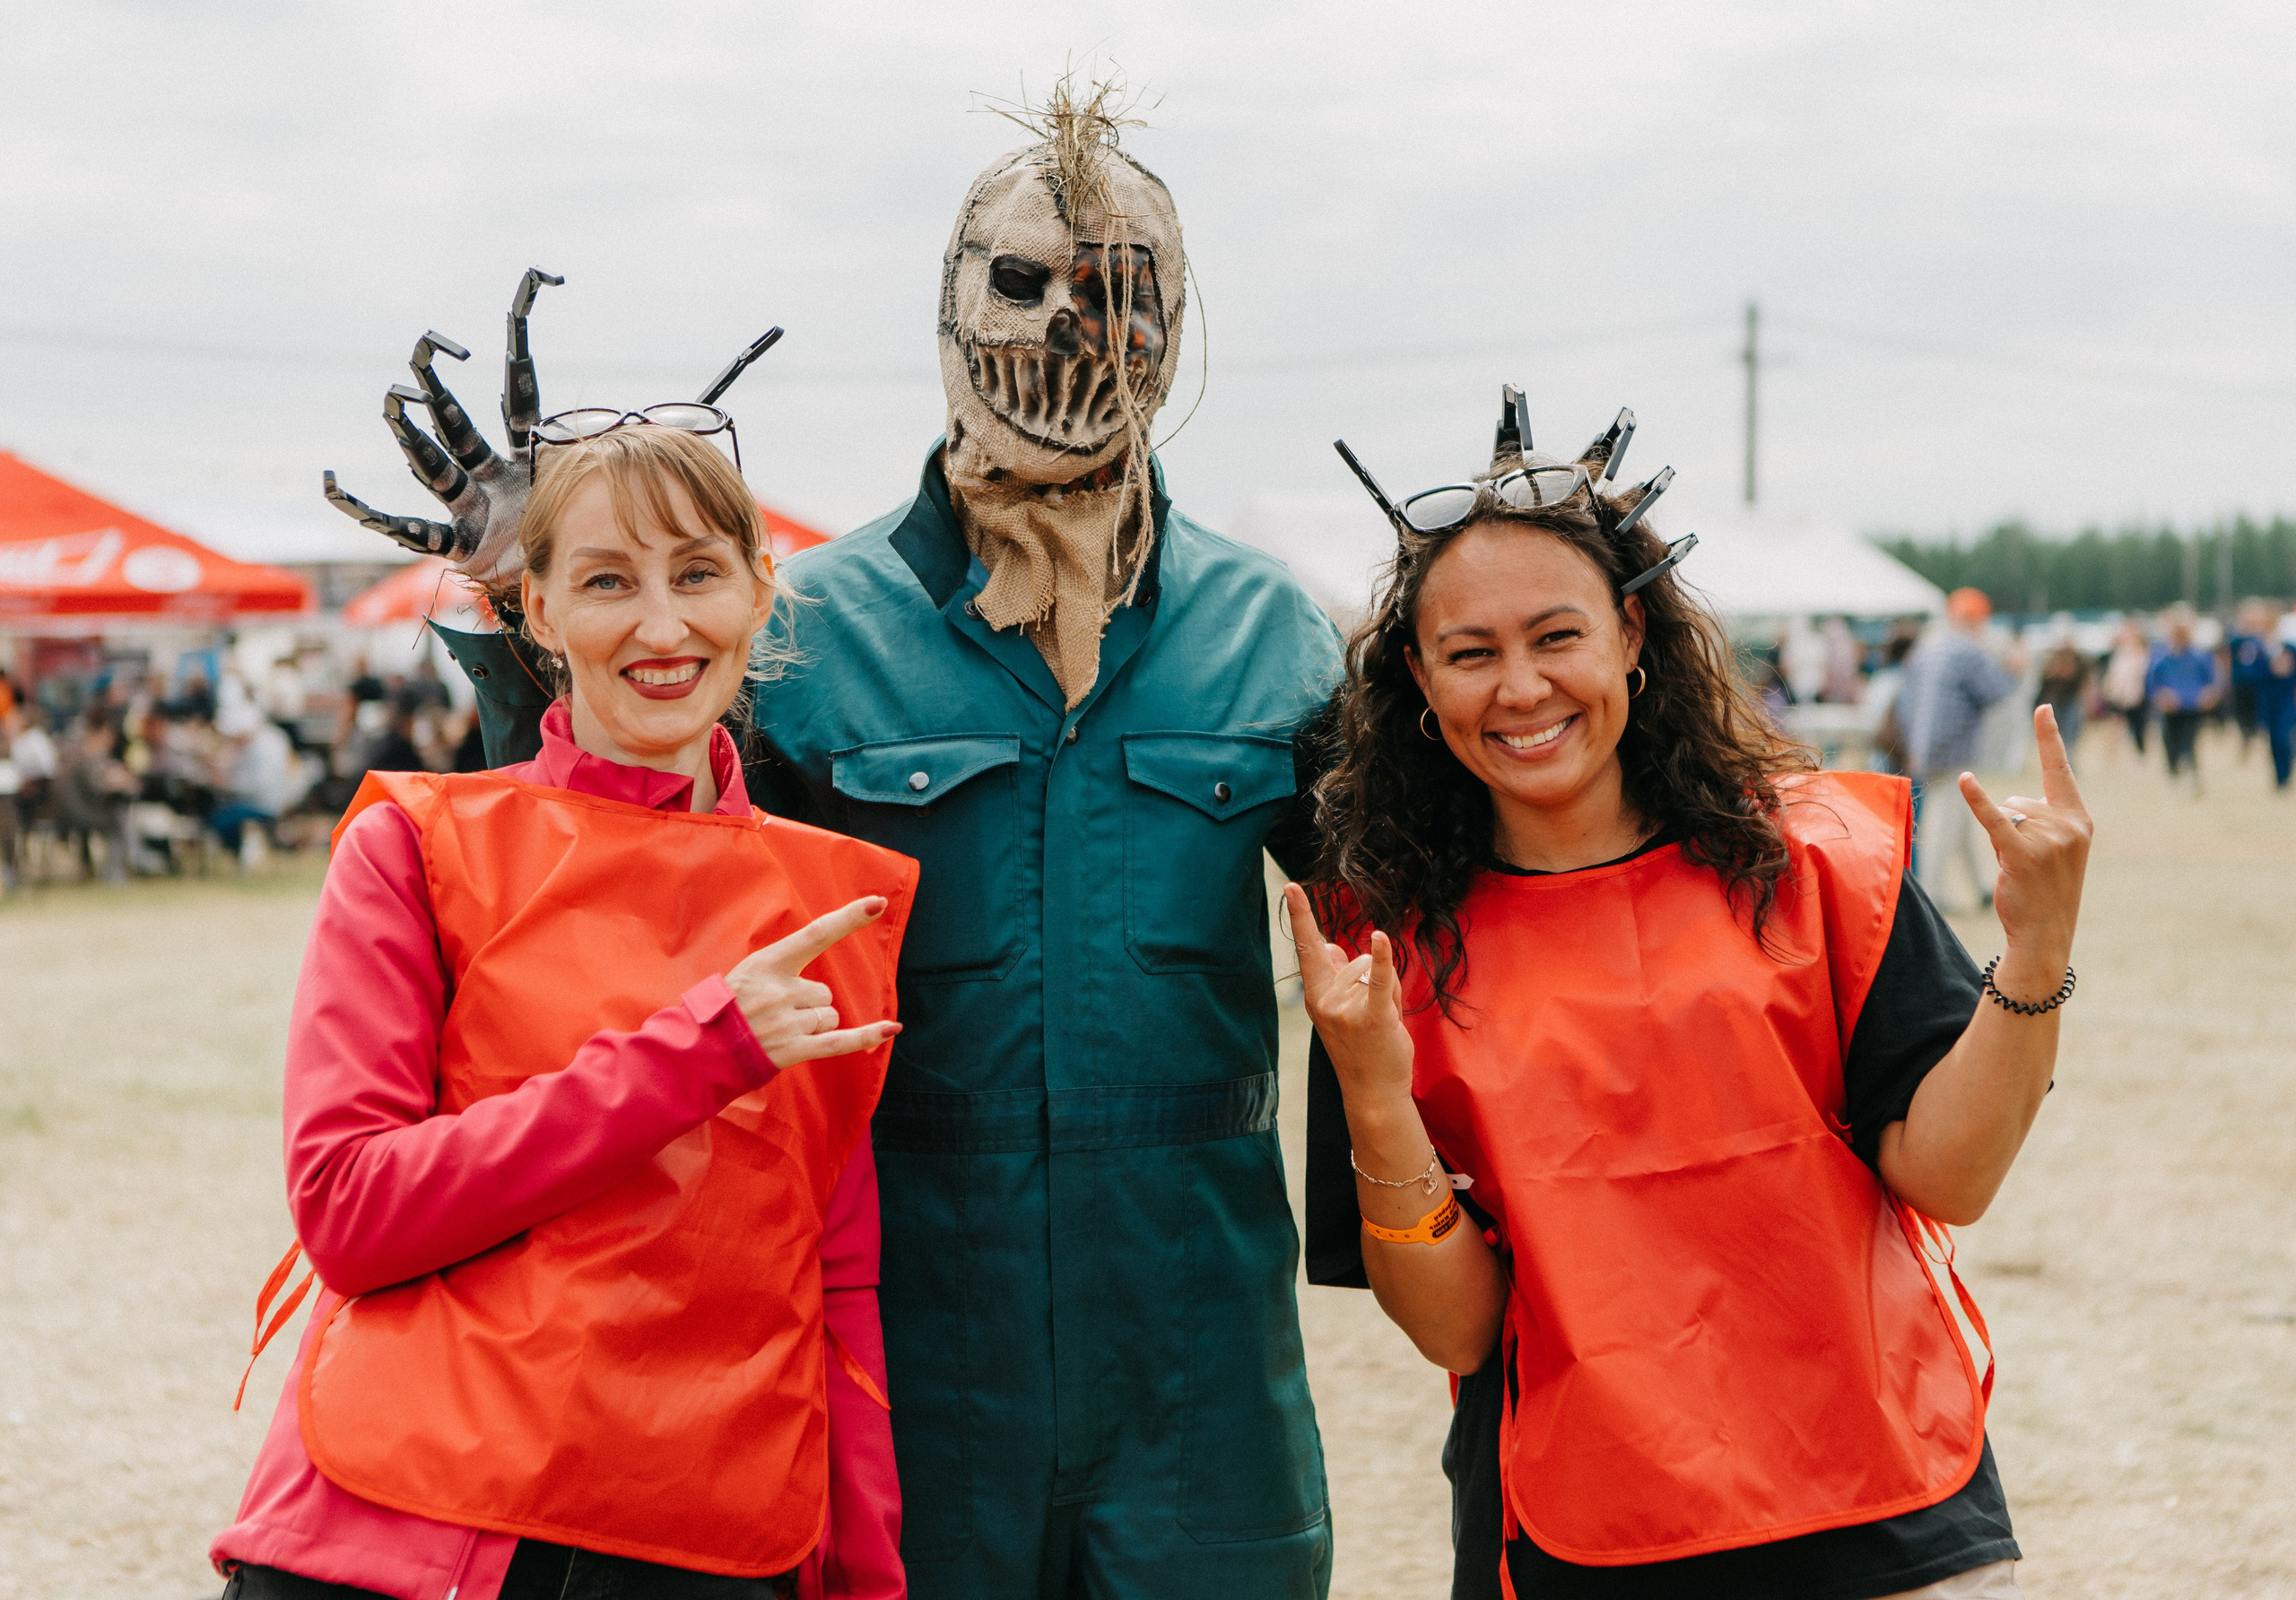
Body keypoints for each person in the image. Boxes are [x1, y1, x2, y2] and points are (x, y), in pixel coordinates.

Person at [331, 89, 1344, 1600]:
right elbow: (604, 867)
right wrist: (520, 613)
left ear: (1179, 320)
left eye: (1126, 288)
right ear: (949, 302)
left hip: (1196, 1359)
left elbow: (1439, 925)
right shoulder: (803, 631)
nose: (1076, 322)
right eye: (1025, 279)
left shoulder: (1277, 634)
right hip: (915, 1345)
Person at [1292, 401, 2092, 1600]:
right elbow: (1458, 1331)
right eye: (1472, 652)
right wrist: (1369, 1085)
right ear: (1418, 673)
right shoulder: (1384, 954)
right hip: (1578, 1537)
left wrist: (2033, 954)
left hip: (1877, 1508)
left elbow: (1950, 1178)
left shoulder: (1822, 861)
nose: (1521, 688)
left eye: (1557, 635)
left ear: (1629, 634)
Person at [212, 425, 918, 1600]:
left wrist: (863, 1579)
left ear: (759, 593)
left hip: (706, 1539)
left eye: (697, 574)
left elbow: (835, 1287)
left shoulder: (836, 905)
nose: (659, 626)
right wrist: (698, 1051)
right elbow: (349, 1210)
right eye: (605, 581)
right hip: (411, 1528)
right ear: (536, 608)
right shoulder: (418, 844)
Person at [1900, 589, 2020, 911]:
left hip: (1924, 745)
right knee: (1947, 820)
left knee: (1959, 815)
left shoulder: (1927, 648)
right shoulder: (1969, 650)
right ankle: (1931, 893)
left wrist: (1914, 744)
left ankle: (1982, 885)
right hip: (1955, 747)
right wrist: (2014, 668)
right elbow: (1998, 691)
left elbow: (1907, 699)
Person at [2146, 603, 2218, 794]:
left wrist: (2209, 694)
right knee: (2170, 742)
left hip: (2193, 706)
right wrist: (2161, 696)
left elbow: (2213, 681)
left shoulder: (2200, 654)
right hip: (2170, 708)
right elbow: (2152, 682)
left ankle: (2192, 778)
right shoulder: (2161, 654)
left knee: (2190, 742)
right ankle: (2174, 776)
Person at [2033, 637, 2091, 767]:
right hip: (2055, 701)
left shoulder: (2079, 659)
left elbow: (2085, 682)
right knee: (2055, 733)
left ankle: (2069, 762)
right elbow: (2044, 680)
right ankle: (2057, 763)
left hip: (2072, 700)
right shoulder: (2051, 659)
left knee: (2071, 733)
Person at [2100, 615, 2152, 759]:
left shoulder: (2141, 652)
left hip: (2136, 696)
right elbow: (2113, 674)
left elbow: (2142, 673)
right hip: (2119, 695)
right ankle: (2112, 756)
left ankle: (2139, 755)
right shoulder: (2119, 652)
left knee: (2138, 726)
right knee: (2115, 726)